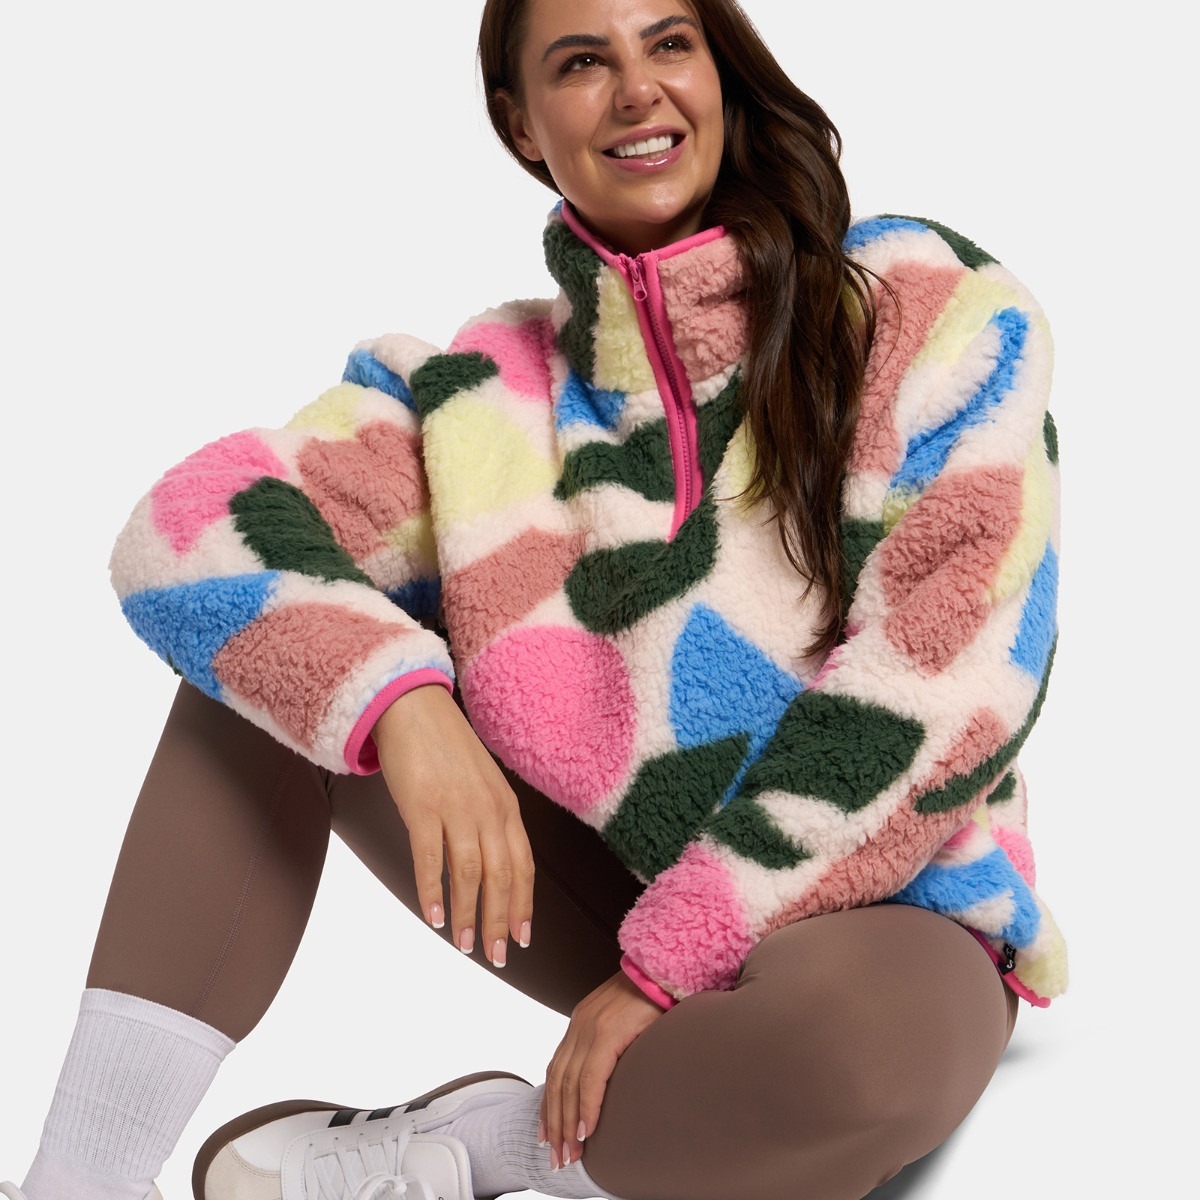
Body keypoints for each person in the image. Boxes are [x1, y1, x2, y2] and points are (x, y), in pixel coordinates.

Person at [1, 0, 1069, 1198]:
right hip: (601, 892)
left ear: (721, 72)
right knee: (270, 654)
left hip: (884, 912)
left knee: (861, 1070)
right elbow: (186, 528)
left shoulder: (919, 304)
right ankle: (81, 1176)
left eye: (669, 44)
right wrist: (407, 706)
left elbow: (953, 679)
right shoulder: (480, 396)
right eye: (581, 62)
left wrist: (667, 966)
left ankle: (495, 1144)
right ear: (520, 124)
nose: (637, 89)